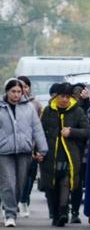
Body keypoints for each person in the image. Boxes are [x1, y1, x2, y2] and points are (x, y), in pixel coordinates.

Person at [39, 83, 89, 227]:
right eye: (62, 96)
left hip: (70, 156)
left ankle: (63, 212)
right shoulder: (47, 111)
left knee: (66, 184)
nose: (65, 100)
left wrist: (71, 132)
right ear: (56, 97)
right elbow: (39, 132)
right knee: (52, 186)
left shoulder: (78, 111)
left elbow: (87, 131)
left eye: (67, 97)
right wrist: (38, 151)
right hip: (51, 156)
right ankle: (55, 214)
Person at [0, 78, 47, 227]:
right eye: (13, 91)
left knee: (20, 184)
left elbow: (37, 129)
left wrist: (42, 149)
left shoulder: (29, 108)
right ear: (7, 92)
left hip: (24, 151)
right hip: (4, 152)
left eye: (19, 92)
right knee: (8, 183)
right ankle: (10, 214)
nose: (16, 95)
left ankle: (11, 206)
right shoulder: (1, 107)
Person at [16, 76, 42, 217]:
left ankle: (24, 200)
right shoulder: (6, 104)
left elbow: (40, 128)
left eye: (25, 86)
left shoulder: (36, 104)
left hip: (30, 147)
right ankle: (12, 203)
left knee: (29, 177)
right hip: (12, 148)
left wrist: (38, 149)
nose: (23, 90)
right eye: (20, 87)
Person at [68, 83, 90, 224]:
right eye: (75, 95)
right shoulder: (69, 109)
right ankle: (74, 212)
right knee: (75, 184)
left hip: (88, 153)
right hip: (73, 151)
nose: (78, 97)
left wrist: (88, 101)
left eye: (80, 94)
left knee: (89, 184)